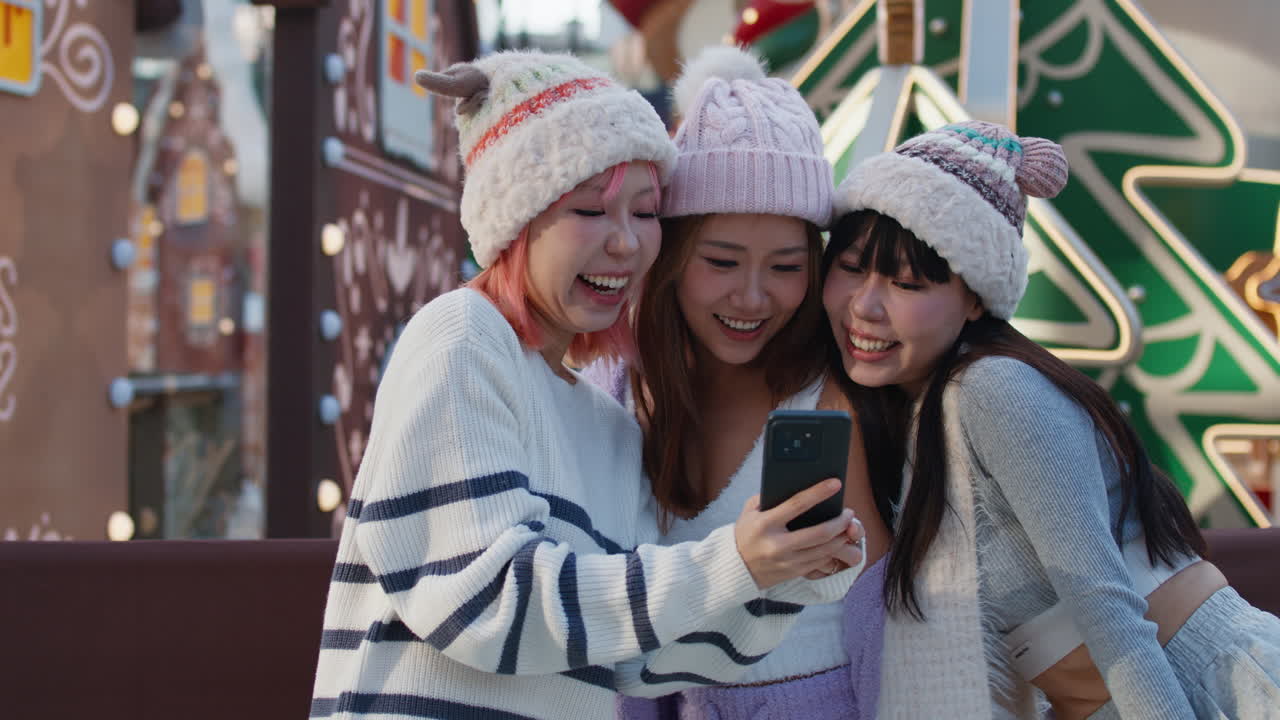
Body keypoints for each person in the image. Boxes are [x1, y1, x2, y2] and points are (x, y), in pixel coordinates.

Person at [309, 50, 865, 720]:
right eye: (590, 211)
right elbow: (486, 605)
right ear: (517, 215)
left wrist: (786, 577)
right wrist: (732, 562)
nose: (627, 244)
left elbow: (636, 654)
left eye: (645, 212)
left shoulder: (607, 423)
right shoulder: (462, 337)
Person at [822, 120, 1280, 719]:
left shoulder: (993, 387)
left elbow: (1108, 609)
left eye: (906, 283)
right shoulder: (907, 412)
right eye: (851, 268)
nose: (866, 306)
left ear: (976, 298)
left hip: (1204, 684)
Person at [594, 47, 892, 720]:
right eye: (722, 261)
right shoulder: (619, 387)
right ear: (671, 255)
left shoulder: (830, 390)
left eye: (786, 266)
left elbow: (881, 611)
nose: (753, 297)